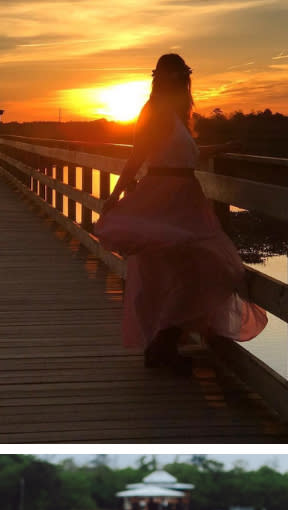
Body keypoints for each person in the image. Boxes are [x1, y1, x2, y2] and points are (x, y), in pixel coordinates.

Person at [96, 53, 267, 376]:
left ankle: (164, 342)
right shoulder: (155, 111)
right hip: (164, 197)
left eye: (181, 77)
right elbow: (138, 156)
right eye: (173, 77)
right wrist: (116, 195)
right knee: (184, 271)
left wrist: (222, 147)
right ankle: (163, 342)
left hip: (186, 199)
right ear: (162, 79)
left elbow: (186, 155)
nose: (179, 83)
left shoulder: (176, 116)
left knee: (194, 270)